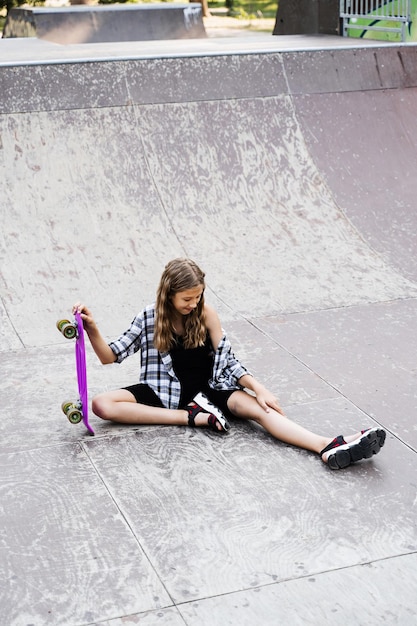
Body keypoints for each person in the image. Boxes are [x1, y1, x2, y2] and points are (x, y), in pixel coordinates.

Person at [73, 258, 386, 470]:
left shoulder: (206, 314)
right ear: (168, 295)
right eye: (186, 299)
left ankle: (327, 445)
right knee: (100, 404)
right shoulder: (149, 317)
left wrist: (258, 388)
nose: (193, 304)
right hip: (165, 393)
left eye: (197, 297)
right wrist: (91, 328)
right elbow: (109, 356)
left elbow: (228, 359)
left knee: (262, 410)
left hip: (212, 390)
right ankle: (191, 418)